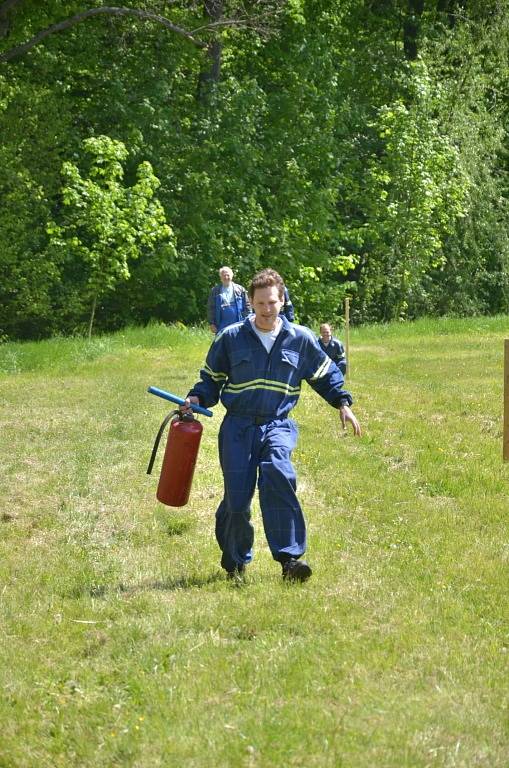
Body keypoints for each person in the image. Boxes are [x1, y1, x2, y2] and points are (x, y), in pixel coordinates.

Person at [181, 268, 361, 582]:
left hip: (278, 424)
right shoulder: (231, 338)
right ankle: (236, 564)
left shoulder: (300, 339)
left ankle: (290, 560)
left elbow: (324, 374)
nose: (267, 309)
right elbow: (210, 381)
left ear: (282, 301)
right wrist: (196, 399)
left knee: (279, 475)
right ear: (250, 302)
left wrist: (342, 403)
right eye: (261, 303)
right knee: (236, 499)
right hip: (238, 428)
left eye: (273, 302)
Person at [207, 266, 250, 334]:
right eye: (224, 275)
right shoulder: (215, 291)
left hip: (238, 323)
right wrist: (211, 323)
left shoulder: (240, 289)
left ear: (232, 276)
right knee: (223, 343)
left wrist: (247, 321)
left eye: (228, 275)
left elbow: (247, 306)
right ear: (220, 277)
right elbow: (211, 308)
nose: (226, 277)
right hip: (221, 324)